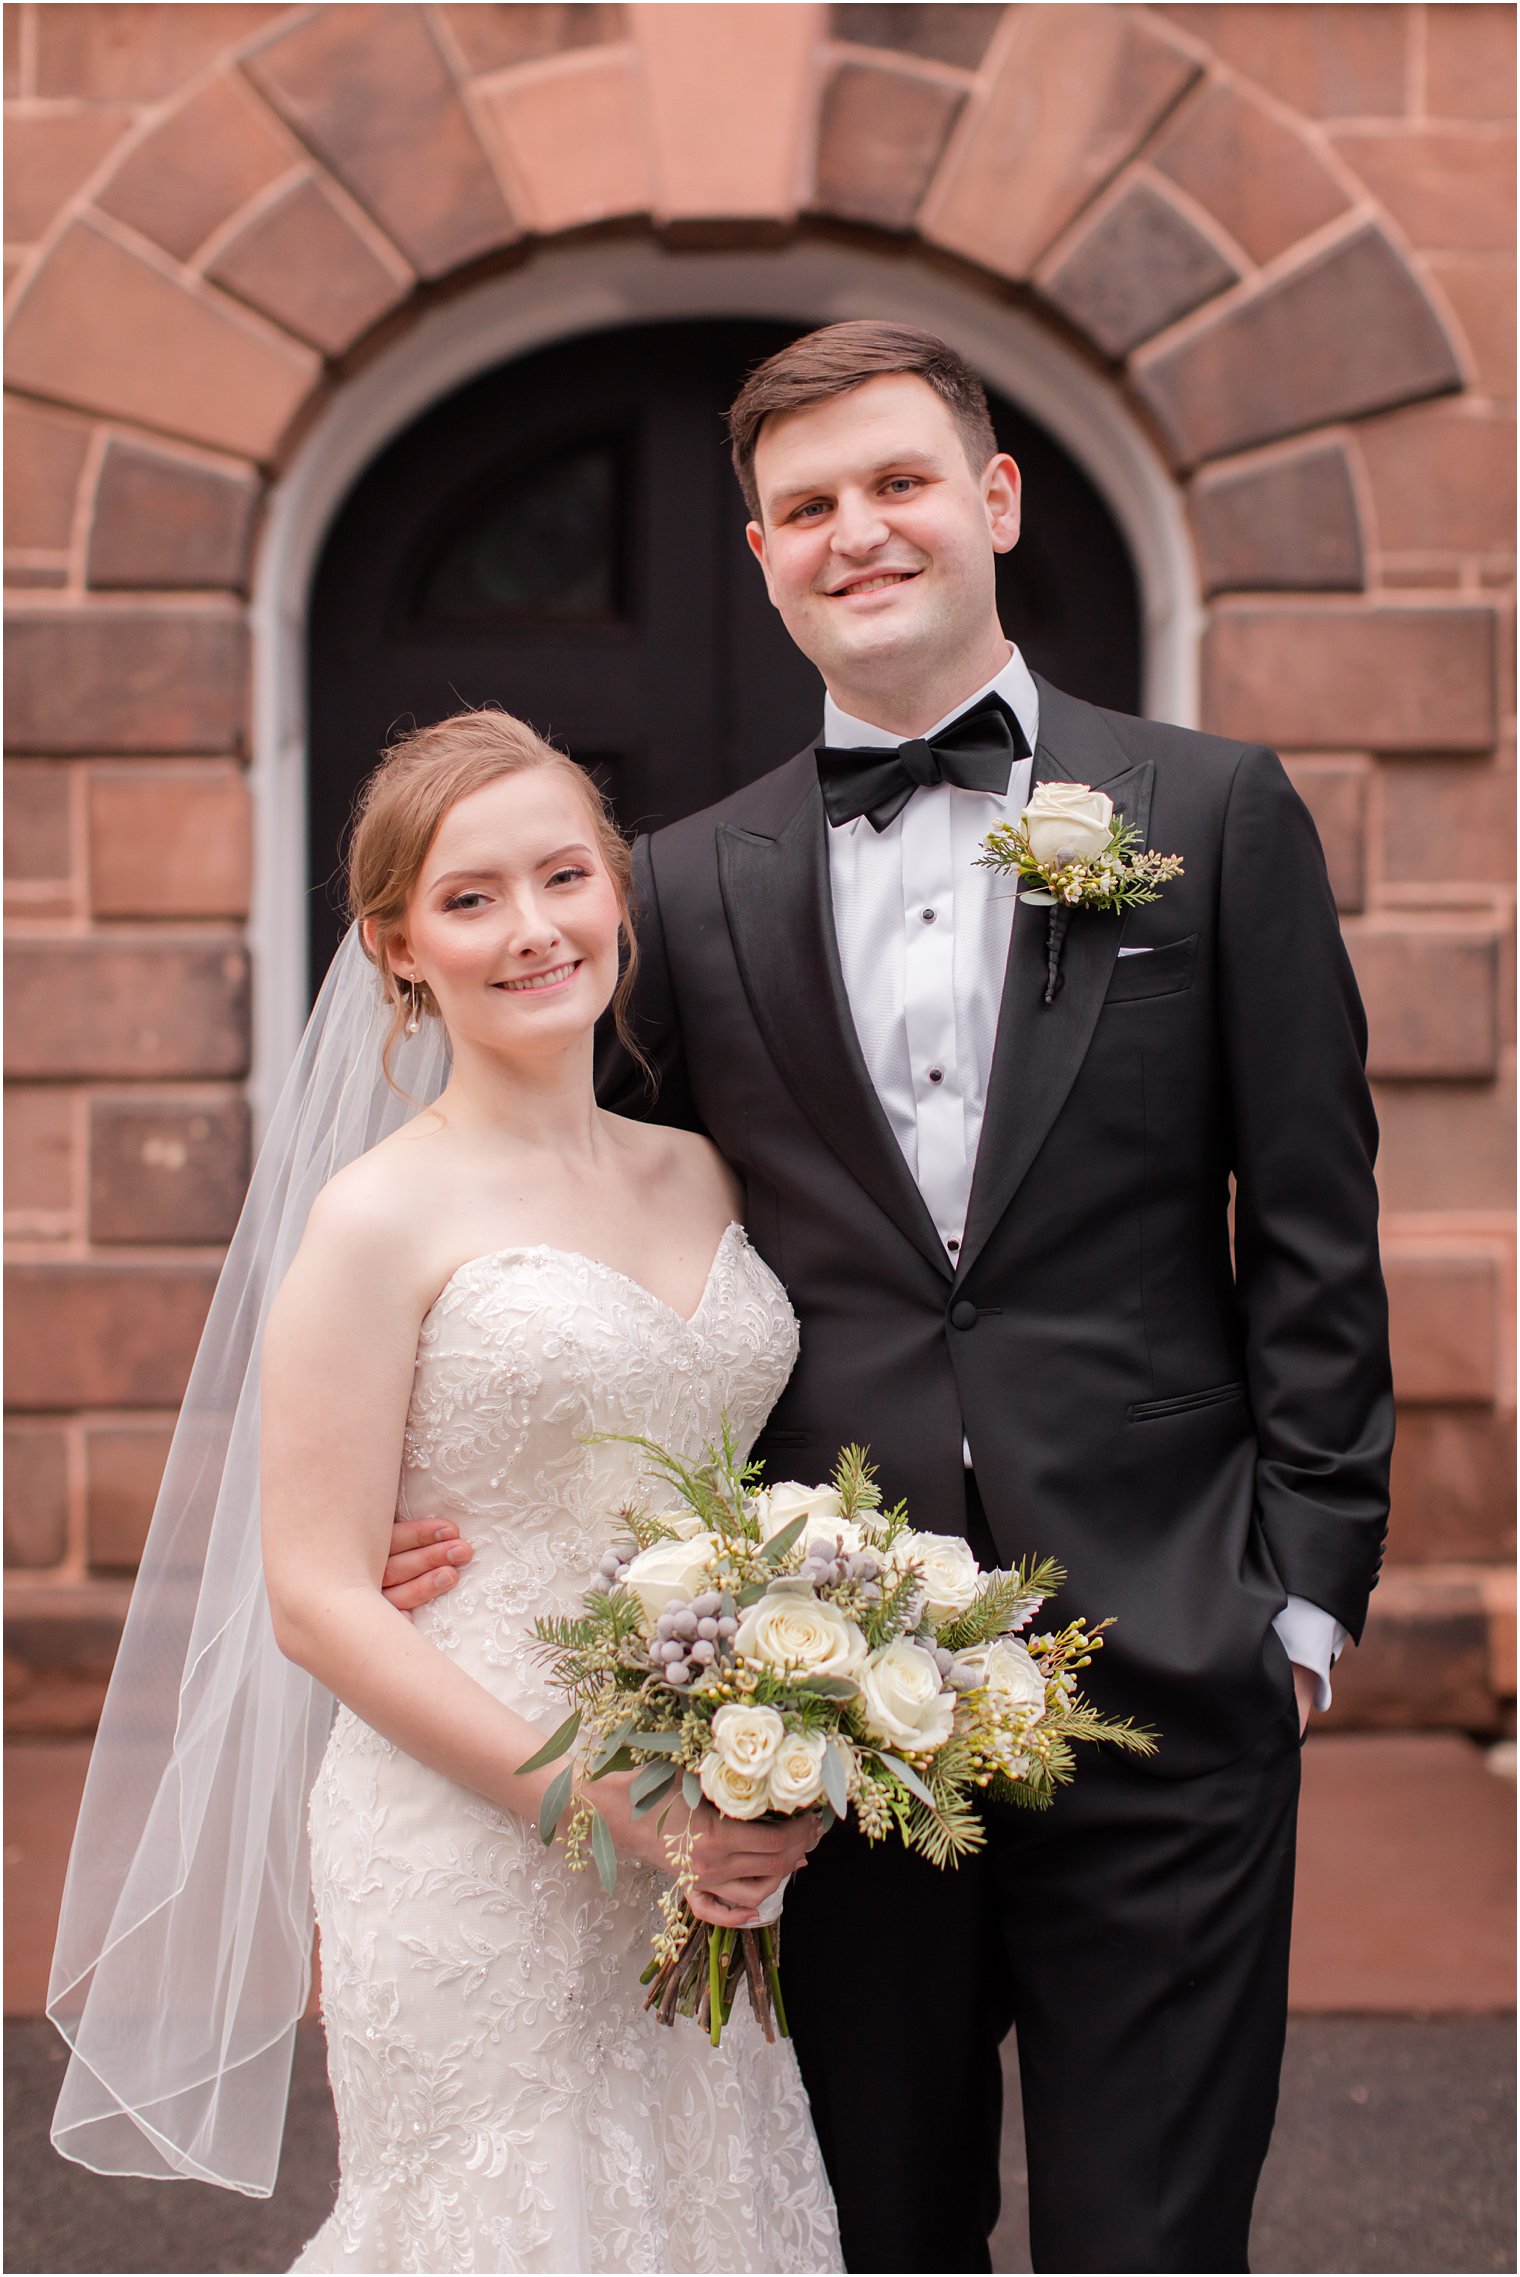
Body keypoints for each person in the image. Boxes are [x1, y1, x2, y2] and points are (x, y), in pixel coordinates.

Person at [384, 324, 1393, 2274]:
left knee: (1153, 2233)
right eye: (809, 505)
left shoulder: (1215, 808)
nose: (860, 531)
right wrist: (458, 1495)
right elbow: (578, 1223)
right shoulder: (675, 885)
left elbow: (1315, 1221)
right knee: (873, 2225)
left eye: (899, 482)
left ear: (994, 500)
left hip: (1169, 1648)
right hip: (812, 1695)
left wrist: (1300, 1593)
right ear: (759, 551)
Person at [50, 710, 842, 2275]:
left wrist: (778, 1733)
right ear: (397, 945)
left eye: (565, 875)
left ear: (620, 893)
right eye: (473, 898)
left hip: (704, 1797)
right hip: (478, 1828)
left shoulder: (709, 1172)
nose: (534, 928)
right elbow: (320, 1591)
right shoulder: (371, 1216)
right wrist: (606, 1804)